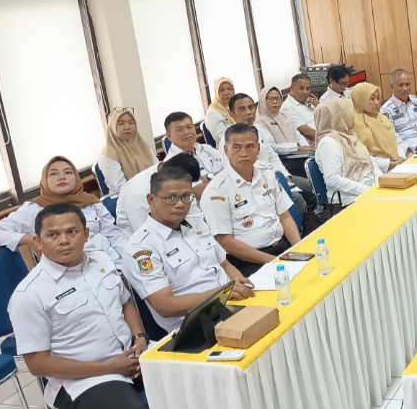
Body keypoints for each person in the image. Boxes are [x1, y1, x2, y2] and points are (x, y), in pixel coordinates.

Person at [8, 202, 164, 409]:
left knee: (189, 378)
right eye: (53, 235)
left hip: (130, 357)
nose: (64, 240)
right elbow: (38, 365)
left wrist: (140, 337)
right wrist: (111, 368)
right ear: (38, 242)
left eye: (72, 232)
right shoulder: (29, 295)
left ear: (86, 233)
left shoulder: (101, 260)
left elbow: (125, 303)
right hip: (81, 381)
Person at [122, 168, 254, 333]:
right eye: (171, 198)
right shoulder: (141, 248)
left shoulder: (196, 224)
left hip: (232, 305)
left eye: (186, 196)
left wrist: (240, 285)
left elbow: (225, 265)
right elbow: (164, 306)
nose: (180, 204)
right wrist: (221, 294)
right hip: (196, 328)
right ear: (151, 200)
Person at [0, 156, 127, 267]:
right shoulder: (35, 208)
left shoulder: (91, 202)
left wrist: (130, 261)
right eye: (53, 174)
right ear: (45, 180)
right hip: (69, 275)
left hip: (112, 265)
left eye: (68, 172)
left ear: (76, 178)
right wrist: (30, 240)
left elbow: (114, 236)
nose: (62, 177)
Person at [200, 124, 301, 276]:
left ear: (258, 148)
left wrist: (299, 250)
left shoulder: (267, 174)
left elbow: (285, 217)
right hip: (248, 261)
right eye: (236, 147)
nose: (244, 153)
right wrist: (274, 262)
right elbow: (225, 242)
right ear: (226, 150)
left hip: (283, 248)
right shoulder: (216, 191)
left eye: (250, 146)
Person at [230, 93, 317, 217]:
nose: (248, 112)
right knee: (296, 198)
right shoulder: (230, 140)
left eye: (251, 107)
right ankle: (300, 227)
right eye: (242, 109)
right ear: (232, 114)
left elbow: (272, 155)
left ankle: (316, 220)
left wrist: (285, 175)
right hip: (259, 185)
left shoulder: (258, 129)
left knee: (312, 185)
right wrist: (275, 179)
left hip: (276, 175)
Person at [116, 153, 208, 236]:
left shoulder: (176, 176)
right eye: (171, 197)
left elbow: (194, 214)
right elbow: (147, 233)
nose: (180, 204)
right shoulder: (138, 192)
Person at [314, 99, 384, 205]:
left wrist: (381, 184)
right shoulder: (328, 143)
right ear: (339, 116)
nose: (353, 116)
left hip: (369, 191)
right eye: (349, 112)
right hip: (348, 199)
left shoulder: (350, 137)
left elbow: (371, 165)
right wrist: (368, 190)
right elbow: (332, 179)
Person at [95, 108, 157, 198]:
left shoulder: (143, 146)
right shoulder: (108, 154)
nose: (127, 127)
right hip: (126, 197)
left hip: (152, 191)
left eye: (131, 123)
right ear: (112, 127)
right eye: (121, 123)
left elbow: (158, 170)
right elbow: (120, 187)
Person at [257, 86, 314, 177]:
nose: (275, 102)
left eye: (277, 98)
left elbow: (297, 135)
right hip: (281, 160)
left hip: (297, 156)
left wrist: (307, 149)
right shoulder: (260, 122)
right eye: (270, 99)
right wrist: (298, 148)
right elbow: (273, 147)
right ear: (263, 100)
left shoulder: (284, 116)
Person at [381, 69, 417, 156]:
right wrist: (412, 147)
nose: (405, 88)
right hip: (407, 151)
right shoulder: (386, 110)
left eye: (407, 84)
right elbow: (391, 136)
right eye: (400, 85)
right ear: (392, 86)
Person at [350, 82, 404, 171]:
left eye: (378, 98)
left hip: (398, 164)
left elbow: (396, 140)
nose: (376, 102)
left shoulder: (383, 119)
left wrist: (402, 158)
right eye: (372, 99)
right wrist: (390, 164)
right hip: (374, 171)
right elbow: (360, 156)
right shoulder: (353, 124)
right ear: (360, 99)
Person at [164, 111, 224, 179]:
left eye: (189, 127)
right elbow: (195, 186)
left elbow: (230, 169)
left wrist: (206, 179)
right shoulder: (170, 165)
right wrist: (220, 175)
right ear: (169, 136)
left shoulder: (207, 149)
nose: (187, 132)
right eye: (179, 130)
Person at [282, 73, 318, 142]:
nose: (305, 92)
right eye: (301, 88)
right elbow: (307, 132)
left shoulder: (309, 102)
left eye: (308, 88)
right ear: (291, 89)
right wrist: (329, 137)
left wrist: (319, 107)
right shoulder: (287, 108)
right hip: (314, 144)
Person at [204, 77, 235, 147]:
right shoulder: (212, 113)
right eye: (221, 90)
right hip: (228, 148)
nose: (226, 93)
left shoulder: (234, 105)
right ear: (216, 92)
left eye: (230, 89)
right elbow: (223, 139)